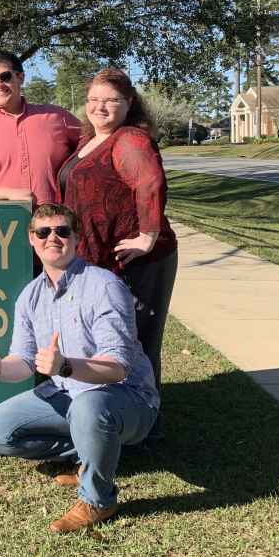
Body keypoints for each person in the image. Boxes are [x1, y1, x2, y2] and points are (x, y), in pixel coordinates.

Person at [0, 203, 158, 533]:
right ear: (32, 239)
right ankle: (92, 453)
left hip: (126, 398)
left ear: (77, 239)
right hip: (68, 394)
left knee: (90, 404)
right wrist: (1, 368)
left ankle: (98, 500)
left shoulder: (104, 286)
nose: (52, 238)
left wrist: (66, 366)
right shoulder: (30, 297)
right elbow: (24, 360)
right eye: (43, 232)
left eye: (62, 231)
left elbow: (117, 369)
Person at [59, 67, 177, 394]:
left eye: (111, 100)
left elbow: (150, 183)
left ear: (129, 103)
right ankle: (109, 406)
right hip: (98, 261)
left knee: (136, 340)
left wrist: (147, 237)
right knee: (106, 336)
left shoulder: (130, 138)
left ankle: (145, 418)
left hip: (135, 262)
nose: (100, 107)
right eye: (94, 99)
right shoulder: (89, 139)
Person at [0, 51, 81, 205]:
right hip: (2, 226)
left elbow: (96, 144)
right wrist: (7, 194)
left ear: (20, 77)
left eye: (5, 77)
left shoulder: (57, 117)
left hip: (53, 226)